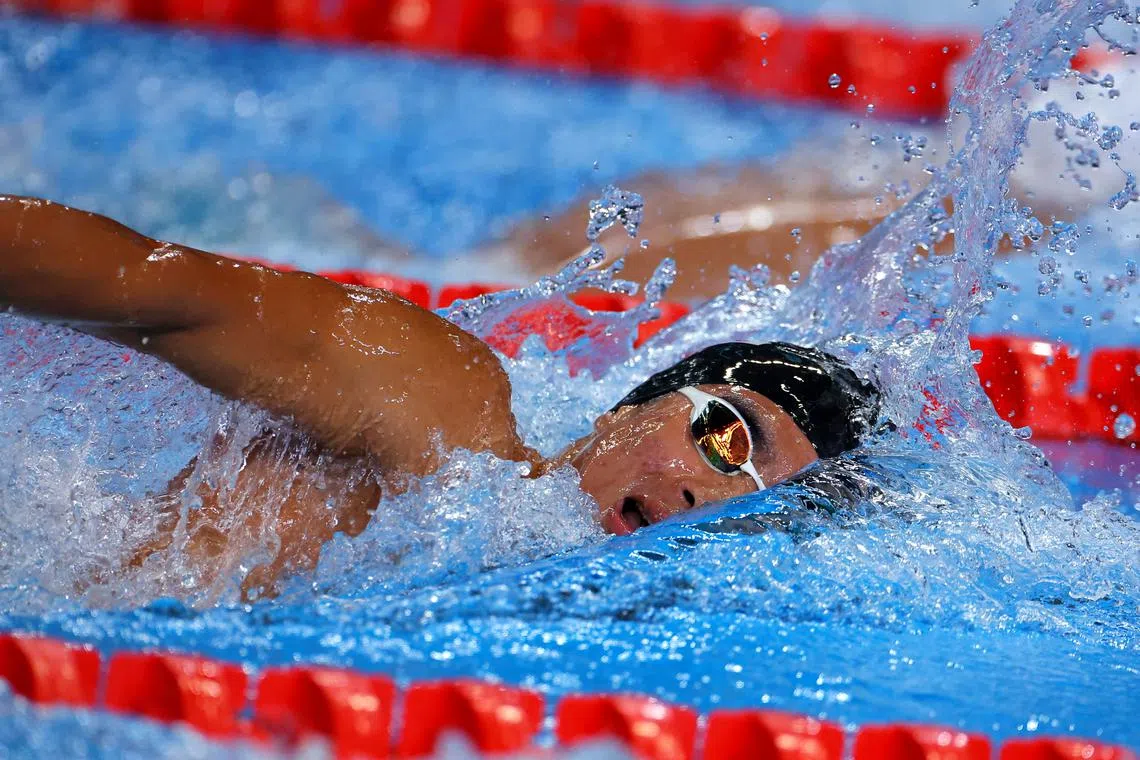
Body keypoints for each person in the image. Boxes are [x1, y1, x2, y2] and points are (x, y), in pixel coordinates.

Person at [0, 195, 879, 595]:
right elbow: (150, 287)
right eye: (728, 440)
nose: (711, 499)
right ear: (633, 406)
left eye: (761, 505)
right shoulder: (438, 406)